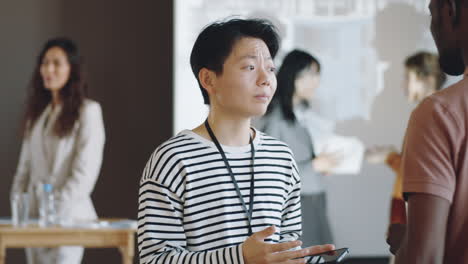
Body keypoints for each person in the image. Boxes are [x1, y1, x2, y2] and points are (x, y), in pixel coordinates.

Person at [137, 18, 334, 264]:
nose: (266, 79)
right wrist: (239, 257)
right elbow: (155, 260)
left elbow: (286, 248)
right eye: (250, 67)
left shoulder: (281, 157)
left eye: (270, 69)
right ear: (209, 80)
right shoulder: (173, 160)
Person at [386, 0, 468, 263]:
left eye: (432, 15)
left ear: (449, 12)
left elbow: (425, 258)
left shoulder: (439, 113)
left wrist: (405, 245)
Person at [11, 37, 105, 264]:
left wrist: (51, 213)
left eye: (56, 63)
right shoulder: (37, 116)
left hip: (68, 219)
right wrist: (20, 213)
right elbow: (23, 172)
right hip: (32, 223)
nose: (48, 69)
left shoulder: (88, 112)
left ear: (71, 69)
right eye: (44, 63)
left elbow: (84, 175)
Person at [254, 49, 339, 247]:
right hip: (297, 203)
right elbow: (269, 173)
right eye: (311, 75)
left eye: (317, 75)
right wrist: (313, 167)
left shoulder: (300, 115)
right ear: (293, 76)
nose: (316, 81)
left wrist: (318, 166)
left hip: (314, 197)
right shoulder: (275, 119)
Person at [366, 51, 446, 225]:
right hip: (405, 201)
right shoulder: (426, 113)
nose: (403, 85)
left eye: (407, 78)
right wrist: (390, 155)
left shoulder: (432, 116)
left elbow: (423, 169)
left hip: (413, 206)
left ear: (428, 80)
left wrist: (388, 157)